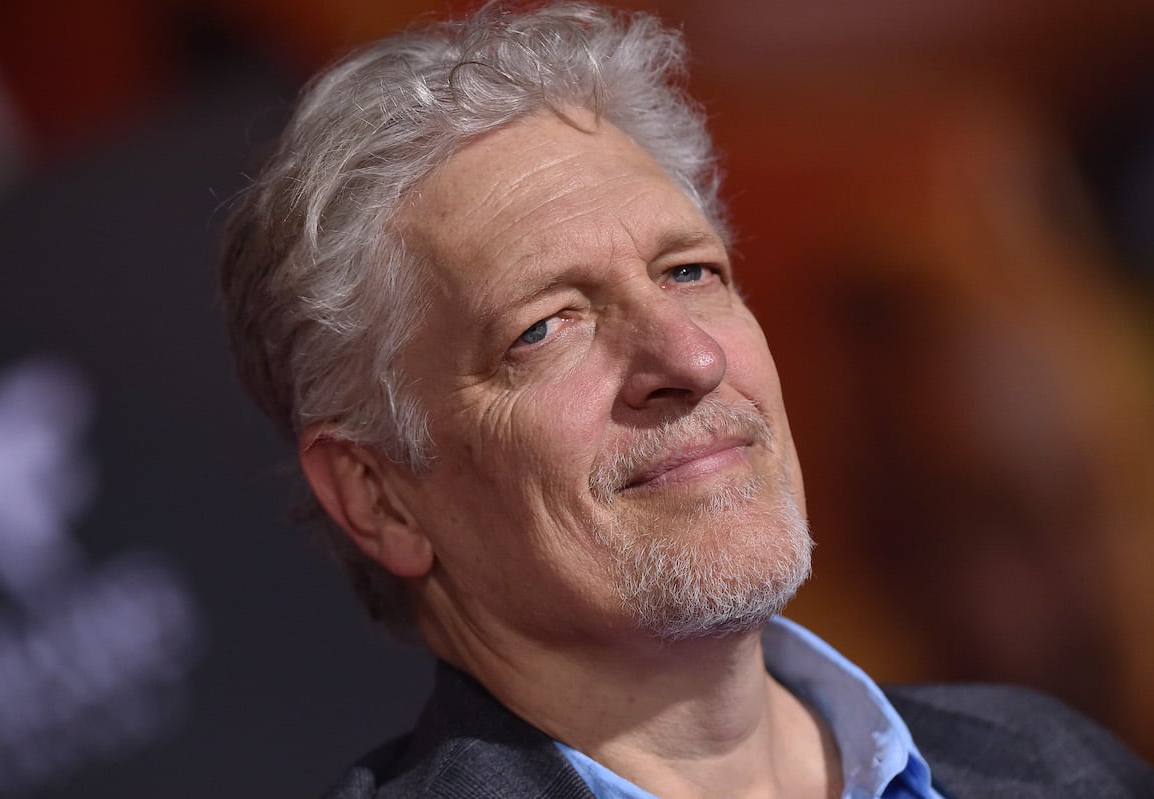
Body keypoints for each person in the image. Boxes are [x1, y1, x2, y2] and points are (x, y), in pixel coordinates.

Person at [219, 3, 1154, 797]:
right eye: (545, 326)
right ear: (378, 494)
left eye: (693, 271)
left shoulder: (1054, 762)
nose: (690, 355)